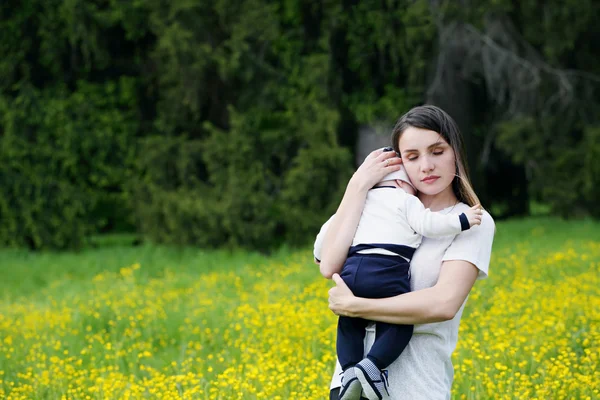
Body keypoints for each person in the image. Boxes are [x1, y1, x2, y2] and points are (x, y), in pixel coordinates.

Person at [315, 105, 495, 400]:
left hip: (417, 385)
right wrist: (357, 186)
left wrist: (355, 306)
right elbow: (328, 265)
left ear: (455, 153)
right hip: (349, 384)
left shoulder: (471, 221)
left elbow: (442, 304)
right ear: (399, 163)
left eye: (437, 152)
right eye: (412, 156)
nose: (426, 165)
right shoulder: (374, 208)